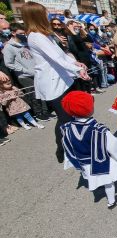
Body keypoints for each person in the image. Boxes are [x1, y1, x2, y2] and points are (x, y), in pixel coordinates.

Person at [22, 1, 90, 162]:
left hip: (63, 79)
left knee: (72, 114)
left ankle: (75, 144)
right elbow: (55, 58)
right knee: (64, 118)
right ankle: (62, 149)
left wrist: (76, 63)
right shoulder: (35, 37)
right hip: (53, 83)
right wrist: (78, 70)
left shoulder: (45, 35)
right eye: (45, 13)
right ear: (37, 15)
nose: (48, 15)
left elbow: (61, 54)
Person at [61, 91, 117, 209]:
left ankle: (97, 185)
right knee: (108, 181)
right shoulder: (99, 130)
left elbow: (68, 147)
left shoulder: (67, 128)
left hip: (84, 162)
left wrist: (73, 162)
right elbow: (113, 146)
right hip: (100, 161)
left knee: (92, 176)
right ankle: (112, 201)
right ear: (89, 109)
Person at [3, 22, 51, 121]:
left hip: (36, 72)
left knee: (42, 92)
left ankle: (46, 111)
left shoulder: (26, 41)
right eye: (20, 32)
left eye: (24, 33)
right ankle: (38, 113)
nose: (23, 34)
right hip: (24, 76)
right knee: (33, 94)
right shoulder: (9, 47)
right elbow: (9, 63)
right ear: (13, 33)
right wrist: (25, 70)